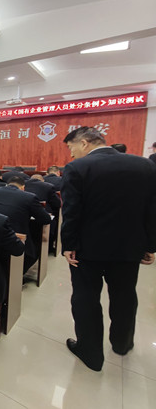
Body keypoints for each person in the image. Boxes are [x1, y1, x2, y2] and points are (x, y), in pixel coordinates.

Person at [60, 127, 156, 372]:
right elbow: (152, 209)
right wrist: (150, 245)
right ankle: (122, 344)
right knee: (125, 296)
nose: (72, 154)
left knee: (86, 298)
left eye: (71, 148)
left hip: (87, 249)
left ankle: (90, 353)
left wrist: (68, 245)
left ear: (84, 143)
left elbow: (71, 212)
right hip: (129, 247)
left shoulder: (77, 168)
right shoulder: (145, 166)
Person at [0, 176, 51, 273]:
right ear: (23, 187)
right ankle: (18, 275)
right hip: (16, 236)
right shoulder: (29, 197)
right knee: (33, 251)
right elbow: (46, 219)